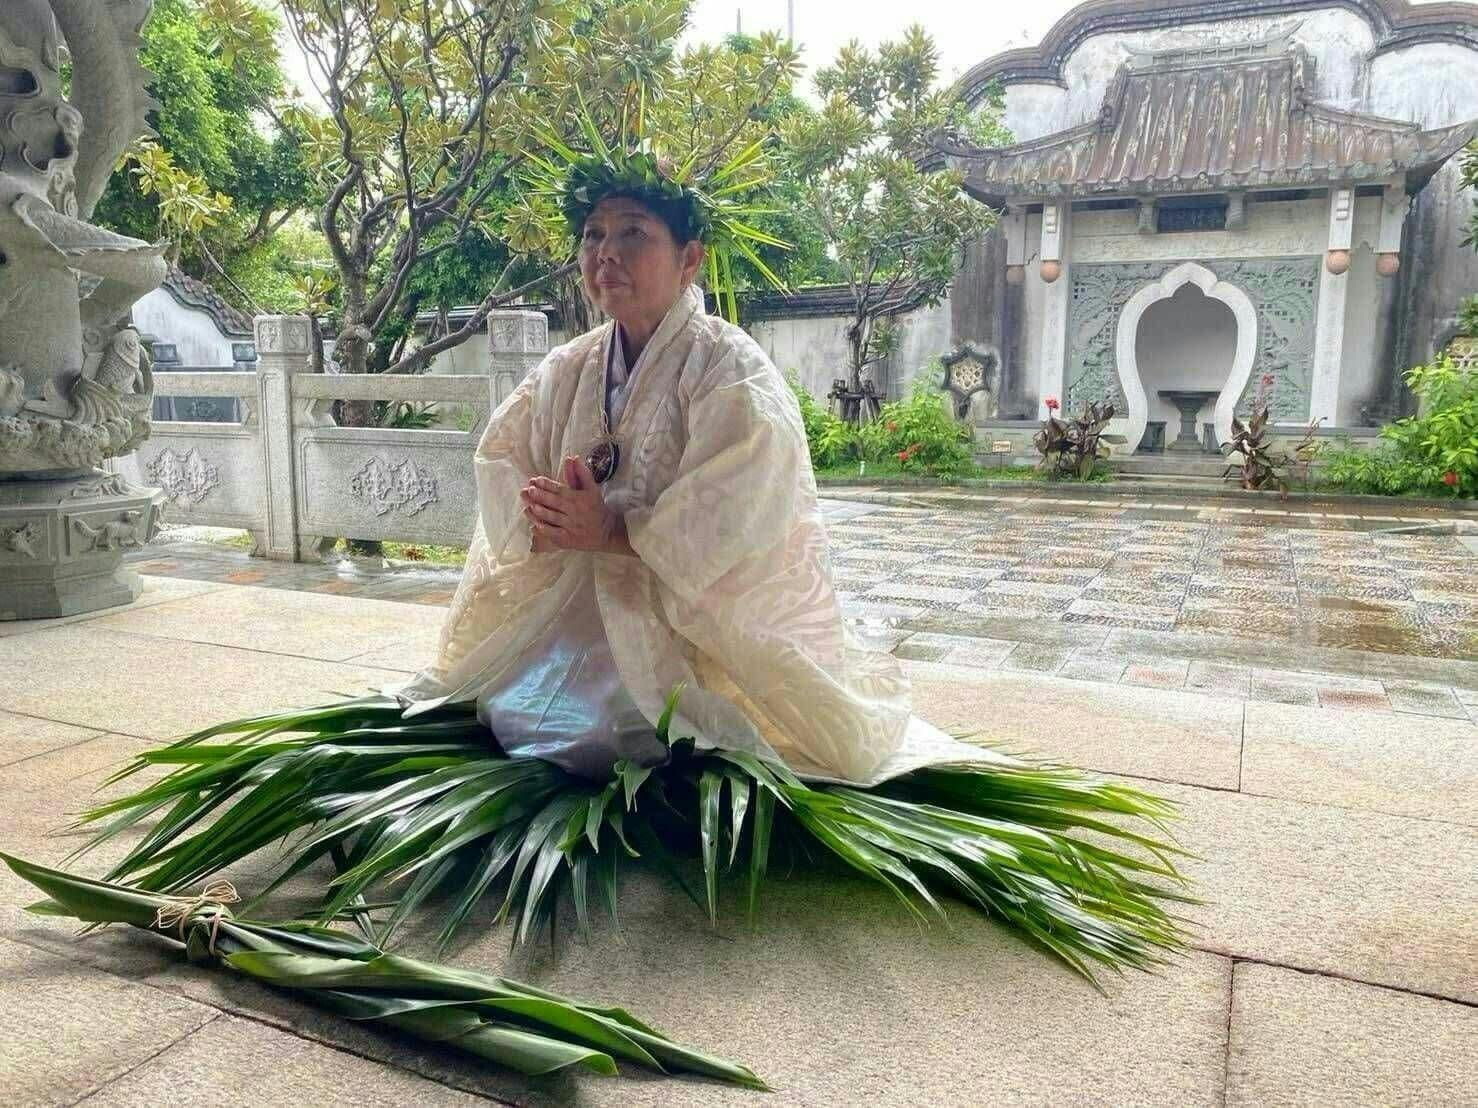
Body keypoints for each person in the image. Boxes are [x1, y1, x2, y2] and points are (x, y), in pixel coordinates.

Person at [392, 167, 923, 784]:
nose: (606, 253)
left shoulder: (730, 367)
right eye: (593, 235)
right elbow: (504, 454)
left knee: (609, 733)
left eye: (633, 234)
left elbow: (742, 507)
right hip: (578, 604)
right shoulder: (568, 366)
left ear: (688, 259)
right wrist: (539, 513)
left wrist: (613, 531)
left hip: (689, 625)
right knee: (512, 707)